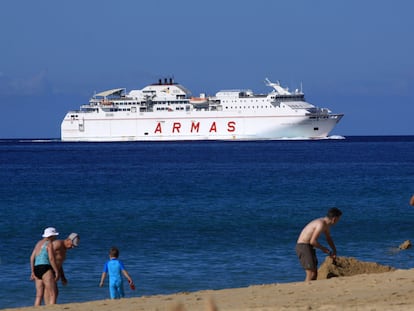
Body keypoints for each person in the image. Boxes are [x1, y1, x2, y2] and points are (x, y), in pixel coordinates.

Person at [296, 207, 342, 282]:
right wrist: (325, 250)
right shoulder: (321, 224)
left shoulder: (326, 225)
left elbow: (328, 238)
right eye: (338, 219)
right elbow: (313, 241)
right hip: (303, 246)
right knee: (310, 272)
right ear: (334, 219)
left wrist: (334, 250)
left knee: (314, 272)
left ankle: (310, 289)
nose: (338, 221)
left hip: (309, 247)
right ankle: (306, 289)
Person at [30, 227, 60, 306]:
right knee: (52, 293)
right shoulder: (49, 244)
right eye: (54, 236)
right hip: (45, 267)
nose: (56, 237)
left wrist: (32, 271)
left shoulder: (38, 243)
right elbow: (51, 258)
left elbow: (32, 258)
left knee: (39, 295)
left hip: (37, 268)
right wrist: (56, 271)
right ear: (51, 236)